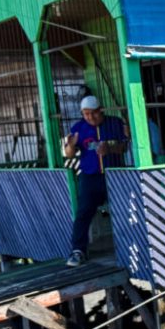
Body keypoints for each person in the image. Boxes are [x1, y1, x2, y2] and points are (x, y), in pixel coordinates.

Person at [63, 95, 129, 266]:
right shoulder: (78, 128)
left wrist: (110, 149)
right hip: (90, 177)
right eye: (86, 114)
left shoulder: (114, 123)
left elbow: (124, 147)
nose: (90, 117)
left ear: (101, 110)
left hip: (115, 175)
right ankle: (78, 251)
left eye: (93, 113)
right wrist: (70, 145)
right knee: (83, 212)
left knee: (124, 210)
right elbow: (69, 154)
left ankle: (129, 246)